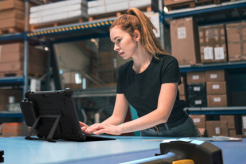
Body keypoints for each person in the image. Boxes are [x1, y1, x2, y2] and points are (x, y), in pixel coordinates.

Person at [80, 8, 201, 137]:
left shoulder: (167, 63)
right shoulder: (124, 72)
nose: (115, 47)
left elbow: (162, 114)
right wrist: (92, 130)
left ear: (136, 35)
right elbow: (117, 117)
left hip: (180, 131)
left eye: (118, 40)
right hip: (148, 134)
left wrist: (119, 129)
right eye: (113, 42)